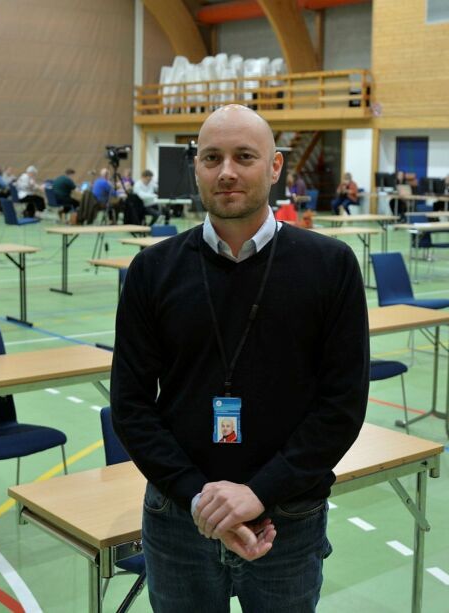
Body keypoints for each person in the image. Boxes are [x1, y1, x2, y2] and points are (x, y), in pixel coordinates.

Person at [111, 104, 369, 613]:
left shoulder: (330, 266)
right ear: (197, 168)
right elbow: (131, 405)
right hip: (179, 518)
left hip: (288, 518)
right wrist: (199, 498)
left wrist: (259, 492)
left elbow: (341, 406)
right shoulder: (152, 270)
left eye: (244, 156)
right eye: (212, 158)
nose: (226, 171)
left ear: (274, 167)